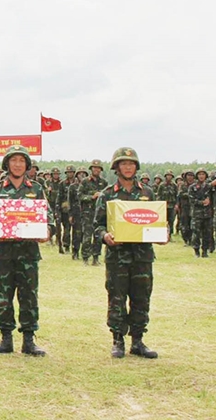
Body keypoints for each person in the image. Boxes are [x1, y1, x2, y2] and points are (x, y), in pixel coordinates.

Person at [0, 145, 53, 356]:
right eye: (14, 160)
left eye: (22, 161)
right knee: (3, 295)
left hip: (28, 253)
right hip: (3, 252)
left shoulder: (36, 189)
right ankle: (5, 339)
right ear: (7, 164)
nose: (18, 164)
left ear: (27, 165)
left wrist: (47, 230)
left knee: (29, 296)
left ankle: (29, 340)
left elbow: (49, 216)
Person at [94, 147, 166, 359]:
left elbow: (158, 220)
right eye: (123, 163)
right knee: (116, 297)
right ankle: (118, 340)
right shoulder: (107, 194)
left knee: (141, 297)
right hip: (118, 257)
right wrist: (105, 236)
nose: (128, 167)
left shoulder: (148, 193)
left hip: (142, 256)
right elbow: (97, 225)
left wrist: (163, 233)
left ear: (136, 166)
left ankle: (138, 340)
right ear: (116, 167)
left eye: (131, 163)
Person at [188, 168, 213, 258]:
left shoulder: (209, 187)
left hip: (207, 214)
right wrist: (202, 202)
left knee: (207, 233)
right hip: (196, 214)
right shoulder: (192, 187)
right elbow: (191, 200)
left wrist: (210, 201)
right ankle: (196, 251)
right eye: (199, 174)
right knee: (196, 233)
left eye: (203, 174)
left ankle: (205, 251)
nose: (201, 176)